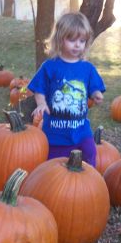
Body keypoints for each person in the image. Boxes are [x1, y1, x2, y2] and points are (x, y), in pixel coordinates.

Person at [28, 12, 105, 167]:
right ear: (59, 39)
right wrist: (41, 103)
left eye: (82, 41)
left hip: (81, 130)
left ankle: (89, 179)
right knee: (56, 166)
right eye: (72, 40)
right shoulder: (50, 66)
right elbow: (39, 89)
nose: (77, 45)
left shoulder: (87, 68)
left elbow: (94, 87)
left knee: (90, 153)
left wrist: (96, 94)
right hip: (55, 134)